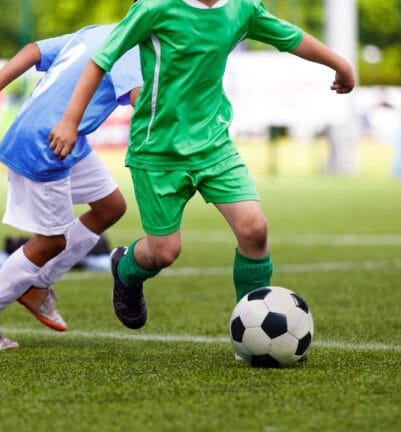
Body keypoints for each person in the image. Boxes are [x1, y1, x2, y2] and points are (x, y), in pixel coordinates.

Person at [49, 0, 355, 330]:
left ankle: (249, 327)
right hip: (158, 152)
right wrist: (70, 121)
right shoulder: (154, 8)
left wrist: (340, 64)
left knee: (254, 229)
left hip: (214, 145)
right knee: (163, 252)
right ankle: (125, 269)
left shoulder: (242, 8)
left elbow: (290, 37)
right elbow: (100, 60)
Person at [0, 24, 143, 350]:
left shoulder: (100, 31)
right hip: (47, 140)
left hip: (66, 136)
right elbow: (145, 105)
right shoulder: (136, 48)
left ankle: (36, 286)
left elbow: (33, 50)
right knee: (51, 241)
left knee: (110, 206)